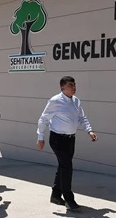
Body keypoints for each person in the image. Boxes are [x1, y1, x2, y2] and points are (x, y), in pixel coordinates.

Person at [36, 76, 97, 211]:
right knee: (67, 167)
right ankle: (69, 199)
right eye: (70, 85)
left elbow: (82, 117)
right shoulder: (55, 101)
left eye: (74, 85)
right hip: (58, 139)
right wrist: (40, 137)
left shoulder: (76, 101)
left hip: (70, 139)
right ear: (62, 87)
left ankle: (56, 195)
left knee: (63, 166)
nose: (74, 87)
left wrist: (89, 131)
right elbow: (43, 119)